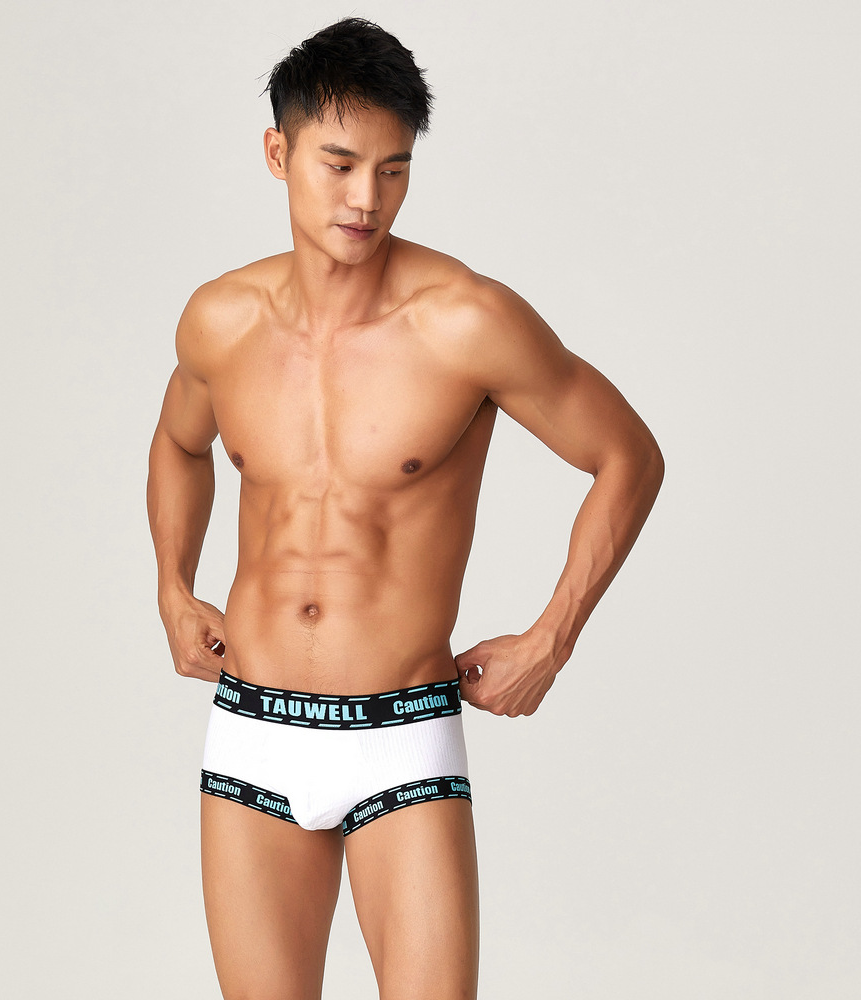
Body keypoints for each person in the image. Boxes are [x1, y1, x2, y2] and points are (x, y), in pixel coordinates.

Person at [147, 16, 663, 999]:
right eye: (340, 165)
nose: (366, 198)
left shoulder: (466, 320)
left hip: (402, 735)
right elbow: (179, 443)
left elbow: (626, 456)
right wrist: (172, 587)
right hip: (254, 726)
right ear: (278, 153)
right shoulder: (220, 320)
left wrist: (552, 638)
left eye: (393, 170)